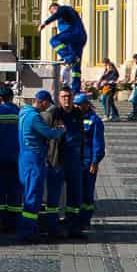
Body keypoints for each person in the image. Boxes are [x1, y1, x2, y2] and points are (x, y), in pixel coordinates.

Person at [15, 90, 66, 242]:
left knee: (28, 194)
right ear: (42, 101)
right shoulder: (34, 117)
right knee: (33, 195)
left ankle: (30, 228)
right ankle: (27, 231)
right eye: (47, 104)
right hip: (34, 159)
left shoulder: (23, 112)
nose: (47, 108)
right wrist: (61, 130)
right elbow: (49, 134)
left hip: (24, 158)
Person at [0, 84, 23, 234]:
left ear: (0, 98)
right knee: (15, 190)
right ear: (12, 97)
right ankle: (13, 223)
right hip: (16, 159)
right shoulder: (20, 113)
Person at [57, 88, 88, 239]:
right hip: (59, 158)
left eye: (68, 97)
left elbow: (82, 136)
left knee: (75, 195)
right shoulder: (55, 114)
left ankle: (74, 227)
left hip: (75, 159)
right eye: (63, 97)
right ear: (59, 98)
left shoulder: (77, 114)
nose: (66, 100)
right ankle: (54, 227)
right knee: (55, 194)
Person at [38, 2, 88, 91]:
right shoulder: (67, 15)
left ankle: (68, 57)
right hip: (78, 39)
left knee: (54, 40)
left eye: (52, 12)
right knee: (76, 68)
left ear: (55, 8)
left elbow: (58, 13)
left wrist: (45, 23)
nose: (53, 15)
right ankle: (75, 91)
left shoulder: (63, 9)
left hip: (73, 34)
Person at [74, 92, 105, 231]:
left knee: (87, 192)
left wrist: (95, 161)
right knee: (76, 192)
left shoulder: (94, 120)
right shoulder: (73, 118)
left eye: (81, 104)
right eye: (77, 105)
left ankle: (86, 219)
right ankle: (75, 219)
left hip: (88, 162)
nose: (79, 107)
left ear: (87, 104)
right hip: (75, 160)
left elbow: (98, 143)